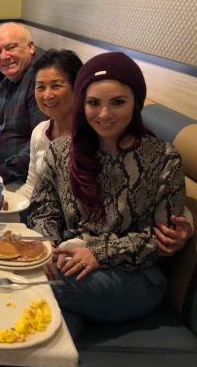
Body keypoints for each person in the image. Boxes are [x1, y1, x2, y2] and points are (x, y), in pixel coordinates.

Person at [28, 52, 188, 337]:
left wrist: (98, 253)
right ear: (82, 104)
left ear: (136, 102)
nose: (104, 114)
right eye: (93, 103)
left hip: (133, 277)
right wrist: (47, 246)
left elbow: (162, 241)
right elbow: (43, 209)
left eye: (118, 102)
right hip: (68, 263)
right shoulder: (61, 151)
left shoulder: (163, 159)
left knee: (31, 281)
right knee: (51, 314)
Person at [0, 22, 47, 183]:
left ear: (31, 47)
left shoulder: (39, 84)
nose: (4, 56)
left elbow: (39, 145)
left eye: (11, 47)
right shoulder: (7, 82)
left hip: (21, 177)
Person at [17, 49, 83, 199]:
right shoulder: (40, 131)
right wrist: (9, 201)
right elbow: (32, 186)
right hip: (40, 210)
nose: (47, 95)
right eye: (40, 87)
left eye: (56, 86)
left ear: (77, 87)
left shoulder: (90, 136)